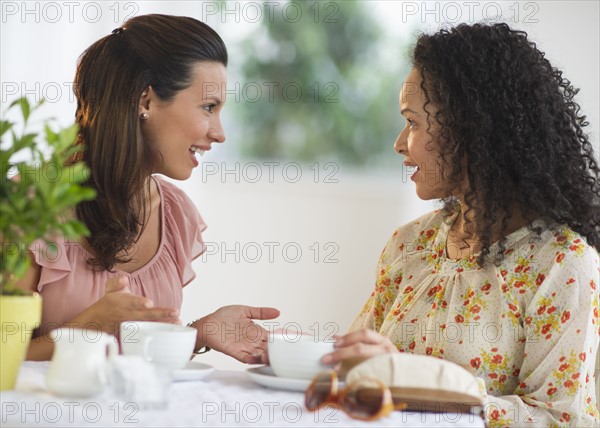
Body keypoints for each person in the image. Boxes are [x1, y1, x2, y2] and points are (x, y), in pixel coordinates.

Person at [323, 23, 599, 426]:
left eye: (413, 122)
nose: (399, 143)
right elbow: (355, 371)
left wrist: (421, 386)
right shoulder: (409, 245)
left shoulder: (564, 265)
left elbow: (559, 419)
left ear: (470, 129)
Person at [15, 14, 279, 363]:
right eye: (208, 108)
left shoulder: (177, 215)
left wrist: (196, 332)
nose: (219, 133)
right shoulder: (27, 206)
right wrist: (92, 325)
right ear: (145, 102)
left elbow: (137, 359)